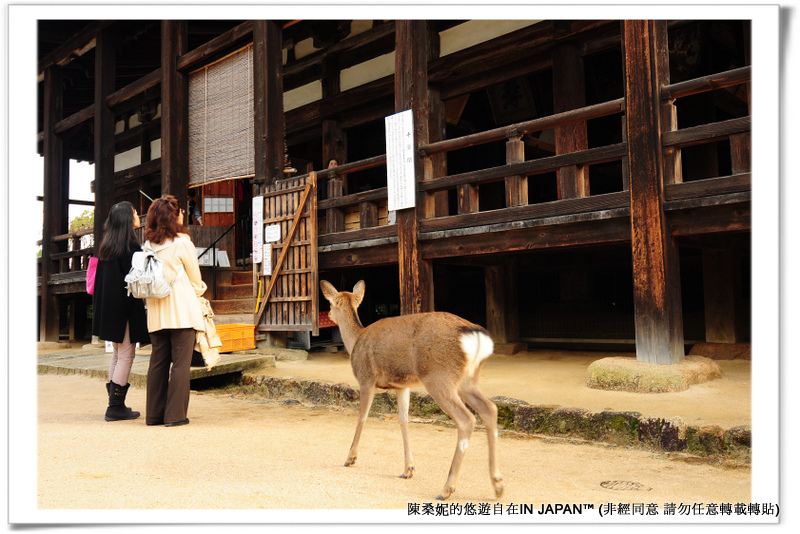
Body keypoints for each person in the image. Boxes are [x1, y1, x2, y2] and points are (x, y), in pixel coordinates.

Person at [143, 195, 208, 427]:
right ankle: (175, 416)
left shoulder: (148, 245)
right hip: (181, 310)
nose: (183, 214)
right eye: (180, 211)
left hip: (156, 313)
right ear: (174, 216)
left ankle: (153, 415)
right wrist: (200, 292)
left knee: (158, 363)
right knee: (181, 364)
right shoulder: (182, 242)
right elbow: (196, 280)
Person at [92, 201, 150, 421]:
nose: (137, 214)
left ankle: (114, 403)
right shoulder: (130, 248)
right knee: (127, 354)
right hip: (124, 309)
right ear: (128, 219)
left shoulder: (107, 246)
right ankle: (115, 406)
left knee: (117, 354)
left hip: (109, 309)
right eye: (135, 212)